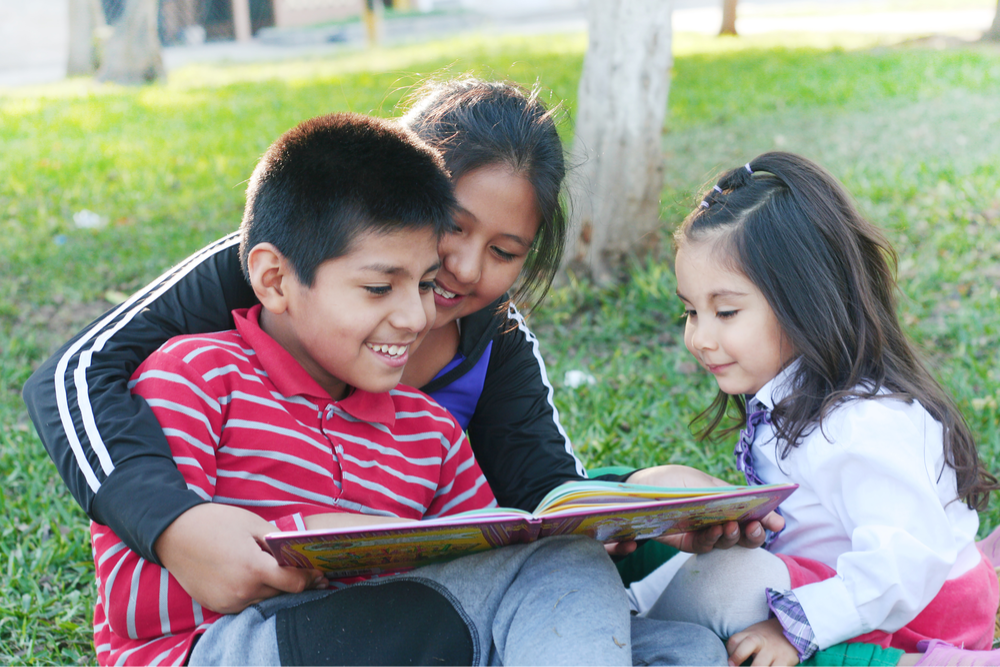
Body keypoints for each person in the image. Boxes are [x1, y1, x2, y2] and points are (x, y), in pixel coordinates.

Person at [23, 76, 774, 625]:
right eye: (452, 226)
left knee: (610, 549)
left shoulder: (494, 339)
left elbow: (542, 489)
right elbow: (75, 374)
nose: (467, 269)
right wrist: (173, 523)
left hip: (428, 561)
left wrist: (652, 506)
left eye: (506, 250)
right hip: (268, 563)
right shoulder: (274, 267)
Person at [92, 111, 644, 666]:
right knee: (556, 564)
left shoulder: (433, 433)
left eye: (426, 283)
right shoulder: (193, 377)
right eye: (380, 287)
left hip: (390, 638)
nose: (414, 316)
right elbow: (135, 605)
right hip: (228, 649)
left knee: (670, 641)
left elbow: (482, 572)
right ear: (276, 280)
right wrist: (315, 542)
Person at [628, 151, 1000, 666]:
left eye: (726, 311)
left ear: (804, 299)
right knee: (706, 543)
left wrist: (794, 628)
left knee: (729, 578)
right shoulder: (789, 398)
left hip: (918, 612)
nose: (700, 337)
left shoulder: (865, 422)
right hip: (831, 578)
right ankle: (632, 613)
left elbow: (901, 567)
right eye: (691, 311)